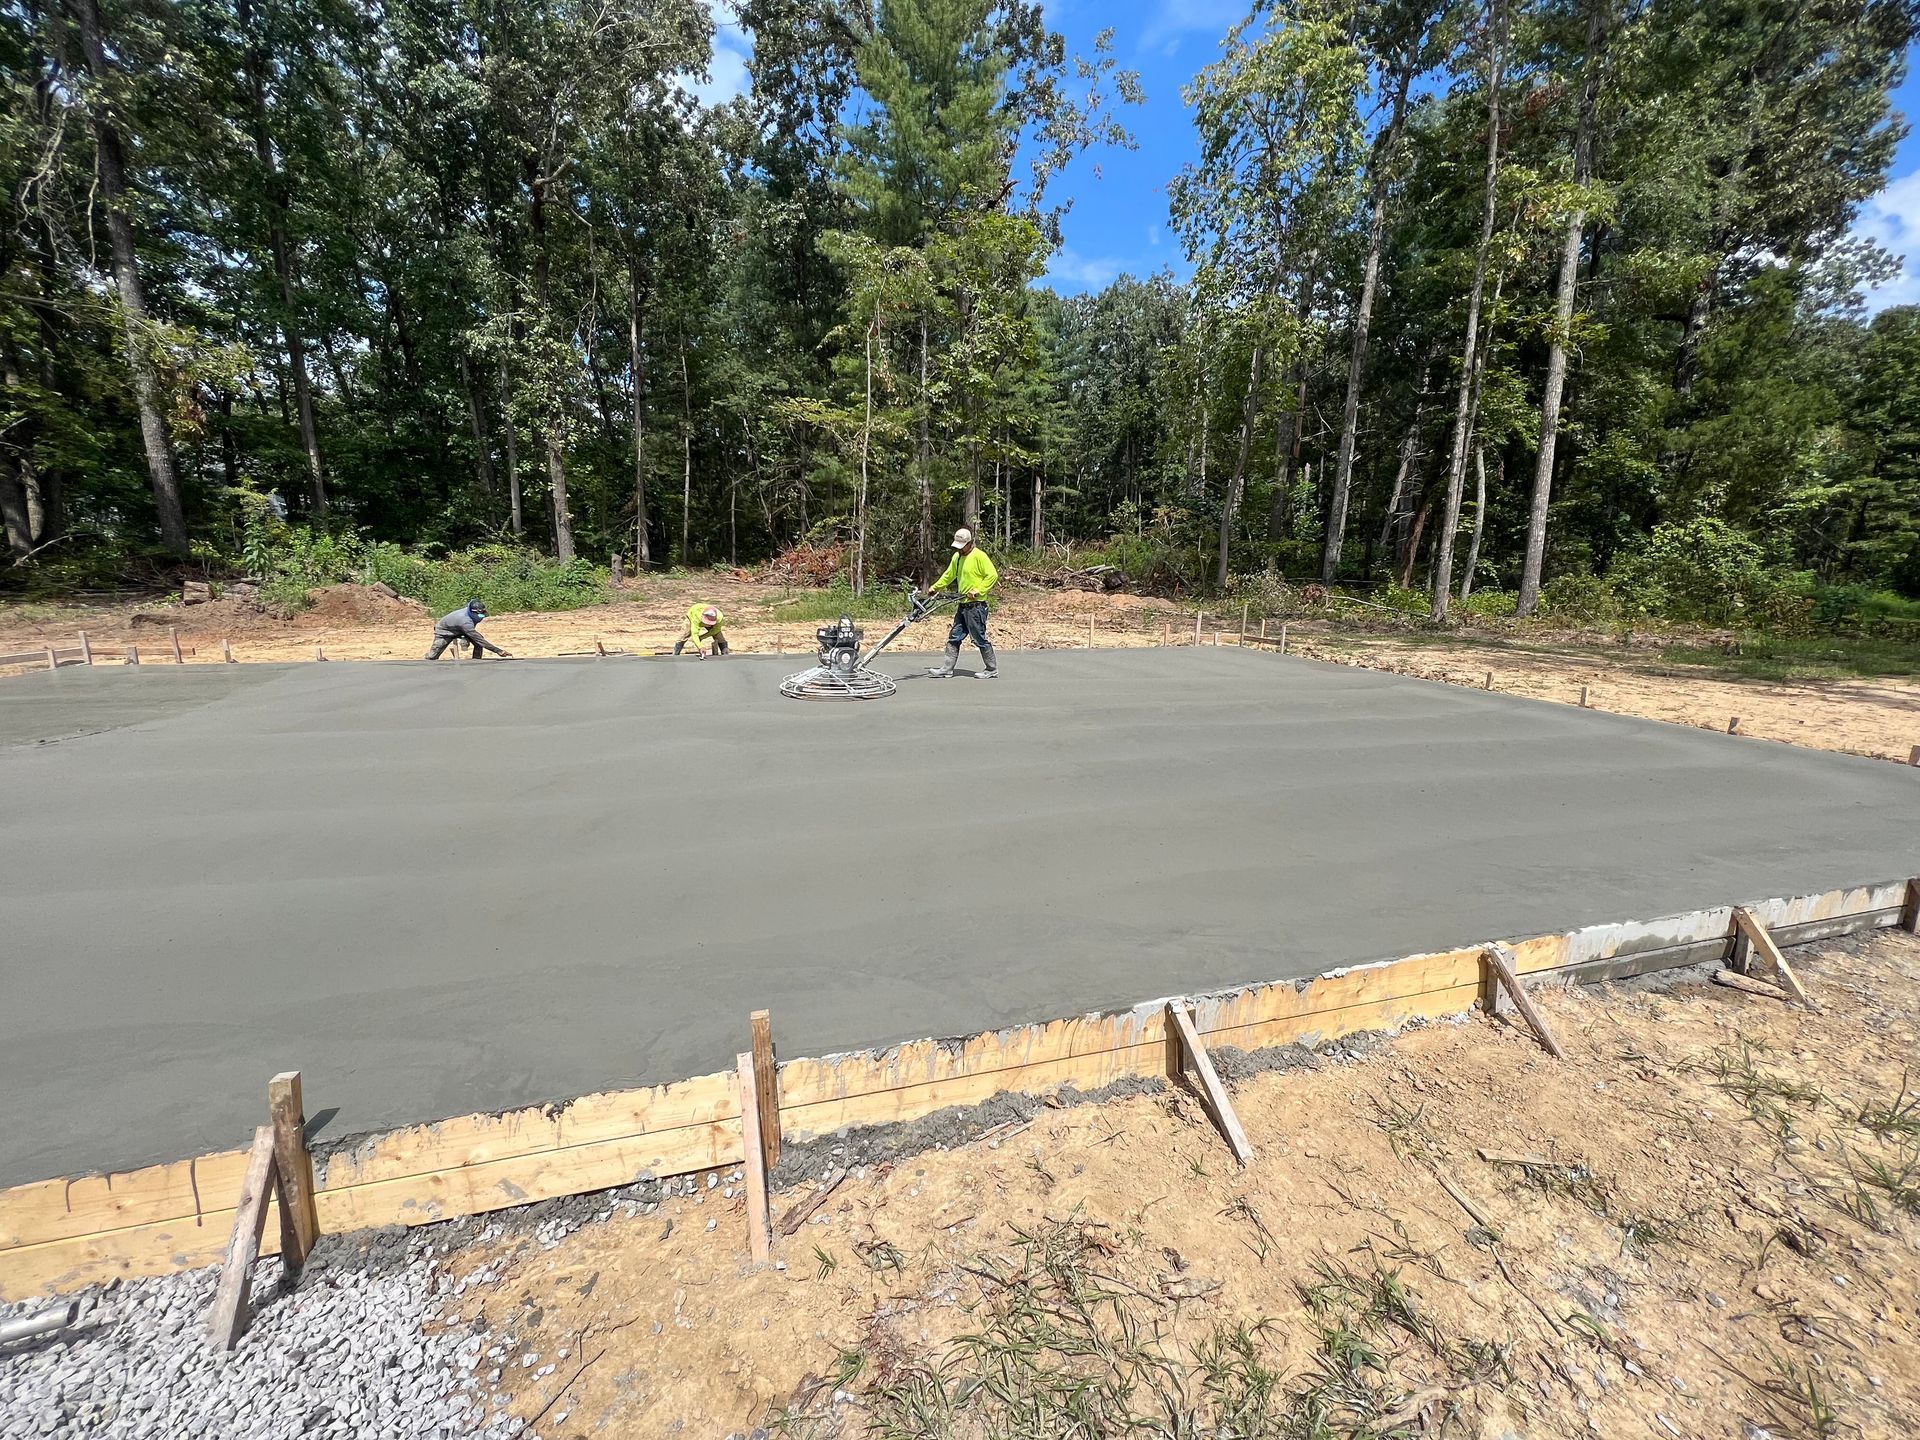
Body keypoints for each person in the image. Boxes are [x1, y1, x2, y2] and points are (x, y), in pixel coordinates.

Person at [926, 527, 998, 678]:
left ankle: (991, 669)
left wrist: (978, 590)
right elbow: (949, 575)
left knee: (979, 638)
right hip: (963, 605)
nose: (960, 549)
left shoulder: (979, 556)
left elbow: (992, 575)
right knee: (955, 636)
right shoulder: (957, 557)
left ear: (970, 543)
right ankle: (947, 668)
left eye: (962, 546)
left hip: (976, 606)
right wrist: (935, 587)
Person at [426, 599, 512, 660]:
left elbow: (476, 638)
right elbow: (479, 639)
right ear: (471, 612)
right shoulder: (465, 620)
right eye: (477, 614)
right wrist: (498, 651)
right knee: (432, 656)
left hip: (462, 629)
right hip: (445, 631)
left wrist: (466, 637)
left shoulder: (480, 614)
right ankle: (428, 659)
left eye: (481, 613)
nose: (480, 616)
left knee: (478, 643)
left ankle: (476, 661)